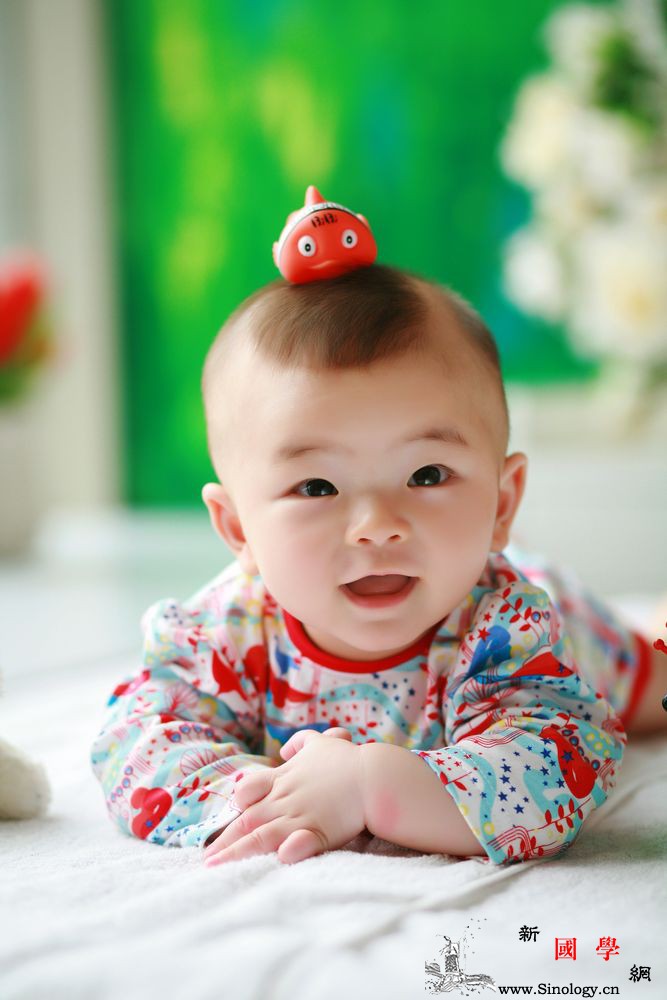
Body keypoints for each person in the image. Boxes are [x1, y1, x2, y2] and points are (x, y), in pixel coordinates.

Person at [90, 259, 666, 868]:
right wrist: (273, 799)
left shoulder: (507, 631)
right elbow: (136, 744)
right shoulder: (225, 631)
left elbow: (556, 771)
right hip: (449, 567)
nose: (377, 525)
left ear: (501, 503)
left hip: (567, 624)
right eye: (317, 486)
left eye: (427, 475)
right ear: (238, 529)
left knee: (652, 684)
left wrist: (370, 789)